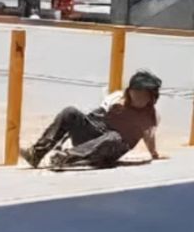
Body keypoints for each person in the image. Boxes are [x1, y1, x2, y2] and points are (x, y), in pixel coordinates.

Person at [21, 70, 165, 169]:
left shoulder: (150, 116)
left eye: (144, 95)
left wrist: (154, 154)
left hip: (111, 149)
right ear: (130, 91)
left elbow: (149, 137)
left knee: (114, 137)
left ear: (152, 97)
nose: (140, 98)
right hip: (93, 135)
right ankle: (36, 153)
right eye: (137, 93)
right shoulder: (116, 99)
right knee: (70, 111)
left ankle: (67, 157)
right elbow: (93, 118)